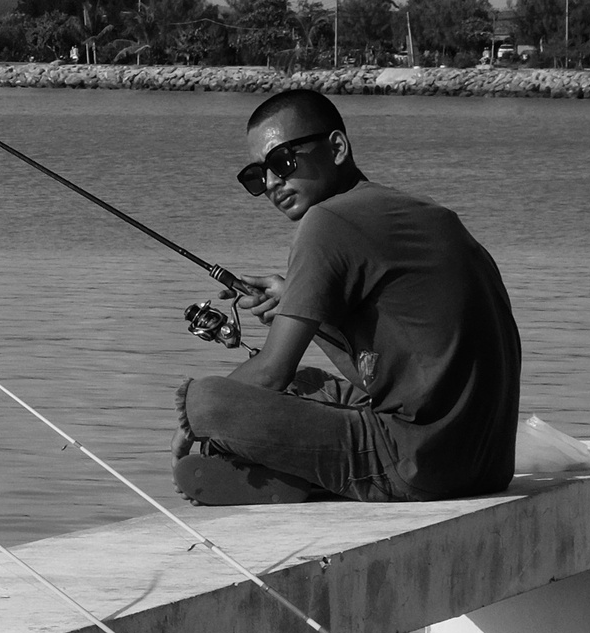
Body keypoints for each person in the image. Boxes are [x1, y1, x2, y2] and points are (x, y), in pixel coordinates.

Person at [174, 88, 521, 505]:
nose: (270, 183)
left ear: (336, 147)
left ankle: (300, 479)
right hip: (488, 465)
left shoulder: (326, 222)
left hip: (418, 464)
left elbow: (270, 374)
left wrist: (192, 420)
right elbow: (386, 380)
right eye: (256, 175)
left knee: (208, 398)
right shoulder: (420, 211)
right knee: (310, 385)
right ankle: (307, 477)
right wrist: (300, 304)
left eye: (282, 162)